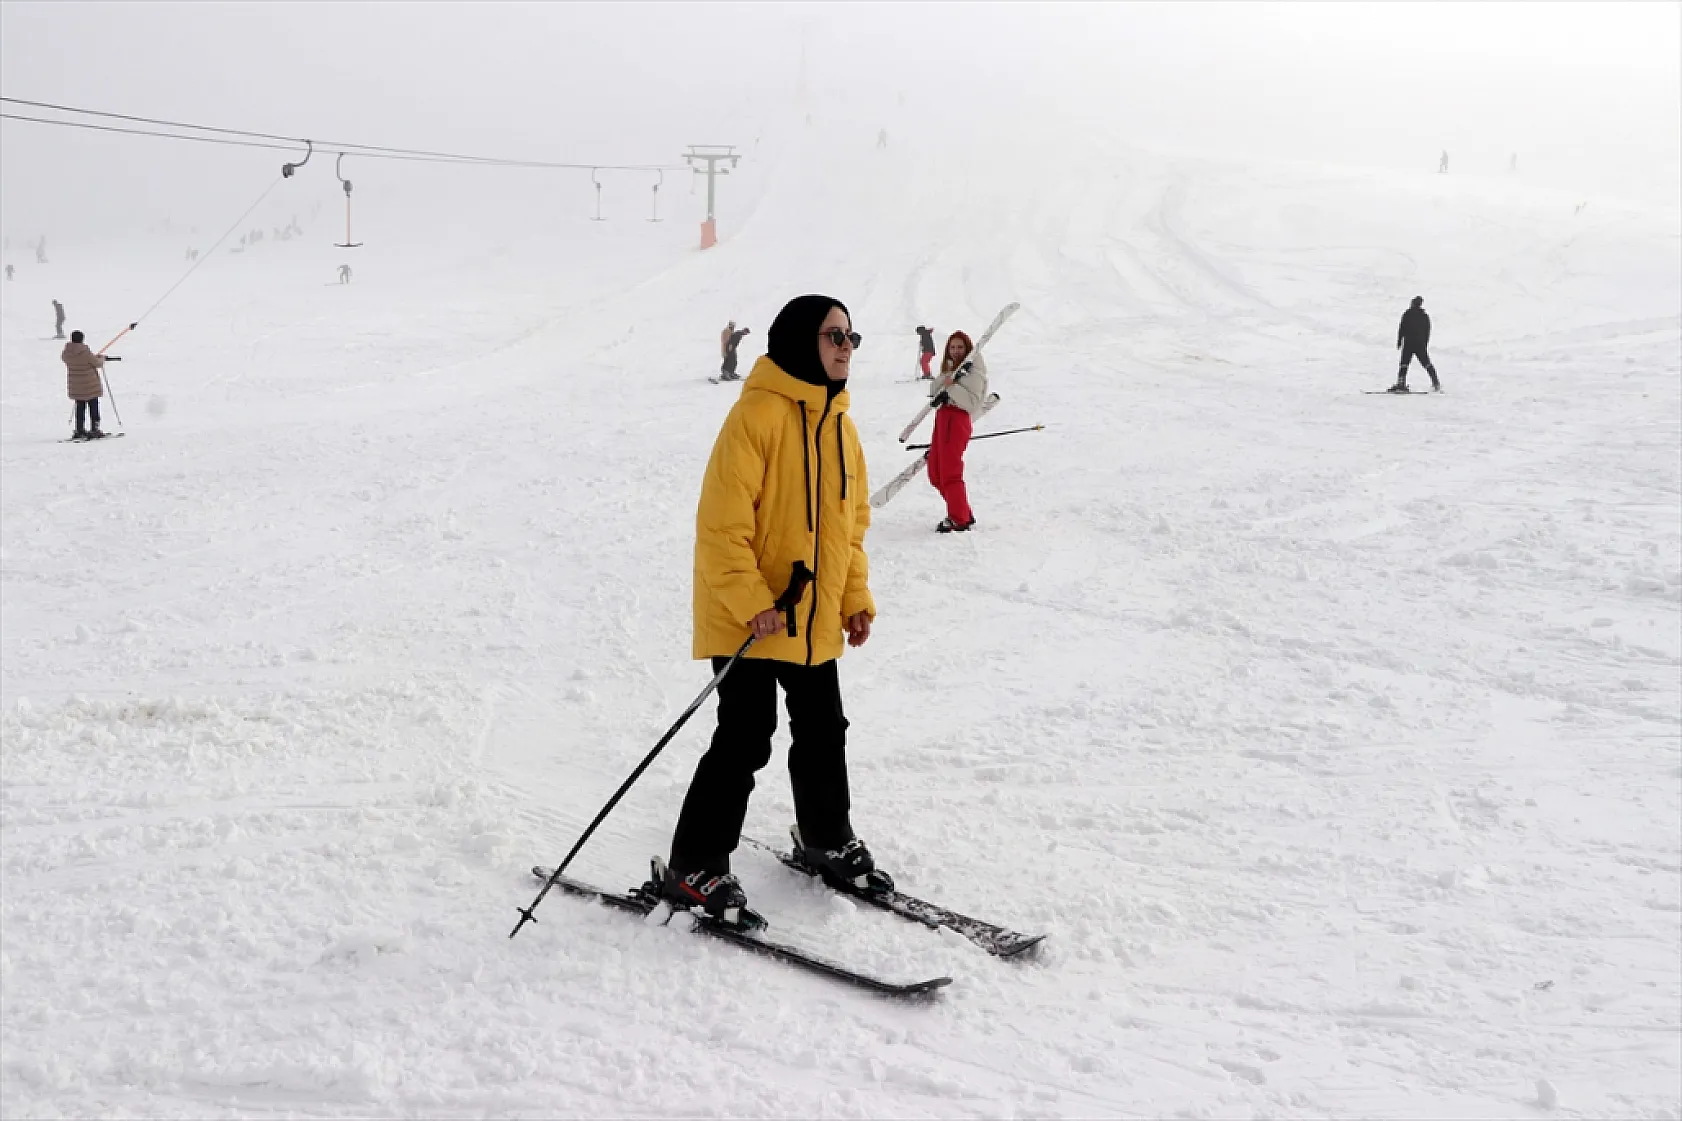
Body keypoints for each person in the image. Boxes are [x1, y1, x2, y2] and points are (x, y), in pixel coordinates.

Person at [668, 294, 884, 929]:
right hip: (752, 617)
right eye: (833, 335)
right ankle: (695, 864)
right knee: (745, 736)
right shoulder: (756, 417)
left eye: (851, 336)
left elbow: (850, 528)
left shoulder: (840, 425)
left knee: (824, 730)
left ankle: (825, 837)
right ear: (798, 341)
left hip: (812, 619)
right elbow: (720, 528)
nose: (845, 346)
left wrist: (853, 598)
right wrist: (753, 603)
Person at [926, 330, 989, 532]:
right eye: (952, 347)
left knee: (950, 471)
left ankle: (958, 518)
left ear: (968, 348)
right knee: (935, 471)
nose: (956, 351)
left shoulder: (975, 371)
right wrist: (948, 379)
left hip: (957, 421)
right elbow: (934, 391)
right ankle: (962, 510)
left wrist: (951, 387)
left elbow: (971, 402)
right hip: (943, 419)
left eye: (960, 347)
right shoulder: (952, 369)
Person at [62, 330, 107, 439]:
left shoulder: (66, 353)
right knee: (93, 406)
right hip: (90, 385)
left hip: (76, 385)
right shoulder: (85, 352)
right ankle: (95, 429)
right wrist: (101, 358)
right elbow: (97, 363)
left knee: (80, 407)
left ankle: (79, 429)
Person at [1391, 296, 1440, 393]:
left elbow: (1402, 328)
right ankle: (1436, 383)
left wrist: (1399, 341)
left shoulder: (1407, 314)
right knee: (1427, 363)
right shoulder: (1424, 316)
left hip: (1408, 343)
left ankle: (1401, 384)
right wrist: (1425, 344)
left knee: (1404, 364)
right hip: (1420, 344)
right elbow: (1427, 331)